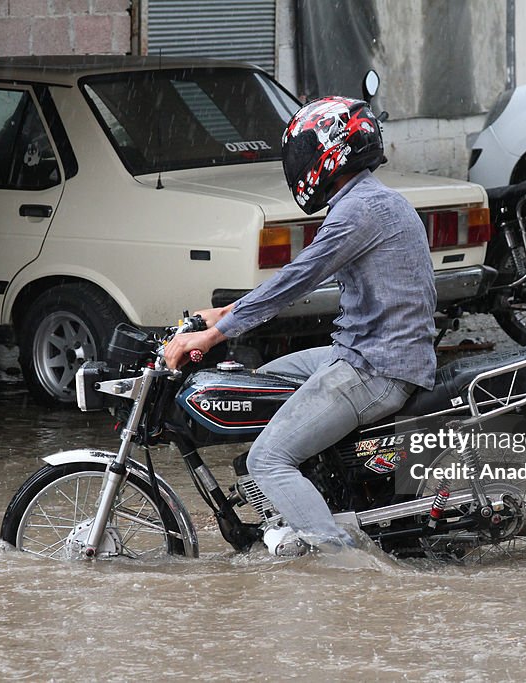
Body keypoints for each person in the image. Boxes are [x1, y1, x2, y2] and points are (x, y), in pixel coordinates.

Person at [164, 96, 437, 554]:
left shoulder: (359, 211)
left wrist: (216, 333)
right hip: (364, 351)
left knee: (269, 458)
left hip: (376, 366)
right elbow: (301, 280)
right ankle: (314, 494)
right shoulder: (375, 200)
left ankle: (339, 563)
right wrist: (222, 313)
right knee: (258, 384)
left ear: (327, 153)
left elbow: (296, 279)